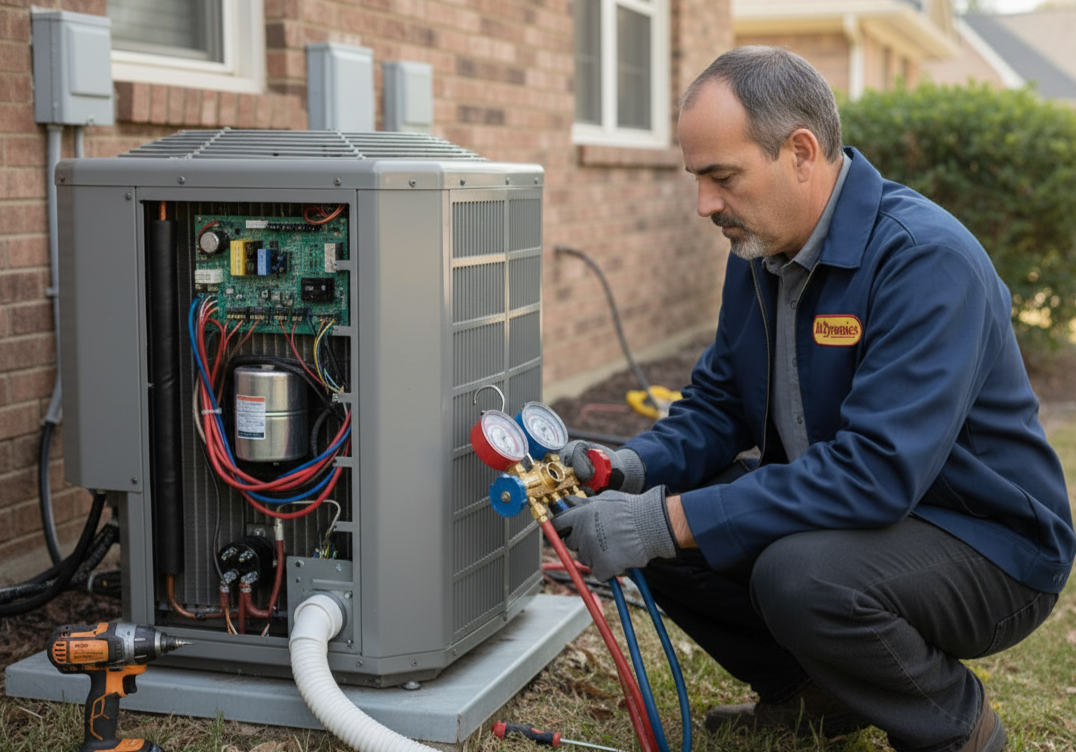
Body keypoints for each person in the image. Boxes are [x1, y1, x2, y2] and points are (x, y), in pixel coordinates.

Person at [552, 46, 1076, 752]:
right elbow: (717, 403)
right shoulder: (760, 250)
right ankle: (817, 697)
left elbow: (876, 473)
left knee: (797, 575)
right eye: (698, 180)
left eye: (722, 177)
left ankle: (958, 729)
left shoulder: (924, 260)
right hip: (867, 518)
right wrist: (626, 470)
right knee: (671, 519)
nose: (706, 204)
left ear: (800, 152)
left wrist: (666, 519)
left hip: (988, 542)